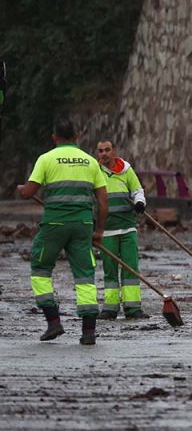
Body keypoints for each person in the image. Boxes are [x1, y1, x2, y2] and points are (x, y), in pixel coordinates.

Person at [16, 116, 108, 345]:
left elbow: (29, 192)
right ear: (77, 137)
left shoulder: (46, 159)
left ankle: (53, 321)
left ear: (54, 137)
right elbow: (103, 203)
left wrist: (21, 189)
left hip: (54, 225)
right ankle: (88, 331)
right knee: (85, 276)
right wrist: (99, 231)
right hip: (83, 226)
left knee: (40, 269)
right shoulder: (90, 162)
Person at [95, 140, 148, 320]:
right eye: (101, 151)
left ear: (114, 151)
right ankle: (110, 308)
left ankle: (133, 308)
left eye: (107, 150)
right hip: (107, 230)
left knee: (131, 268)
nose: (104, 154)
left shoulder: (126, 170)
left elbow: (137, 190)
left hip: (127, 228)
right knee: (110, 270)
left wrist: (140, 202)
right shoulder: (94, 171)